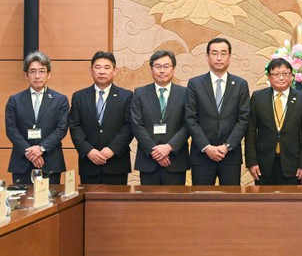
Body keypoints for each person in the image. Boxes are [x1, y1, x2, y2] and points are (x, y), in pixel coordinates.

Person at [185, 37, 250, 185]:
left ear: (230, 57)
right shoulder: (195, 84)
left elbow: (243, 119)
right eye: (214, 53)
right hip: (202, 155)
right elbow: (190, 119)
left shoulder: (240, 84)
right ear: (207, 57)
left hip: (230, 156)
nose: (219, 58)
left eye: (223, 53)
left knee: (231, 203)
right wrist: (207, 147)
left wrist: (226, 146)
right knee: (201, 202)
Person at [69, 51, 133, 185]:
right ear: (91, 70)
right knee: (90, 205)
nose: (102, 71)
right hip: (89, 164)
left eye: (107, 67)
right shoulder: (79, 97)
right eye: (97, 67)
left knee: (117, 205)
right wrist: (89, 151)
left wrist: (112, 149)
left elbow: (129, 127)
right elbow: (75, 127)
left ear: (114, 71)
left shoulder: (126, 96)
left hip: (116, 164)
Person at [246, 58, 302, 185]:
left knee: (290, 203)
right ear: (269, 77)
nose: (281, 78)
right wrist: (252, 162)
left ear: (291, 76)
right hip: (263, 164)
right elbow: (250, 132)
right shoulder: (258, 97)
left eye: (286, 73)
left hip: (292, 163)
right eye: (276, 74)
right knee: (264, 203)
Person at [5, 51, 69, 184]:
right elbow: (11, 130)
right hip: (22, 163)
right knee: (22, 203)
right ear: (26, 75)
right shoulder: (14, 100)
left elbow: (61, 129)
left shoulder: (60, 100)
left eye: (42, 71)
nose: (37, 76)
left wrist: (40, 149)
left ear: (48, 74)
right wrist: (30, 152)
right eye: (32, 71)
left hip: (50, 162)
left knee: (52, 203)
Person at [130, 50, 189, 185]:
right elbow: (136, 124)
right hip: (148, 161)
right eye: (157, 66)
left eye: (166, 66)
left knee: (175, 203)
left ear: (173, 68)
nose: (162, 70)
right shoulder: (140, 93)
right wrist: (154, 151)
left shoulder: (185, 93)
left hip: (175, 160)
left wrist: (169, 147)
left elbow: (188, 124)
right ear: (151, 69)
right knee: (149, 204)